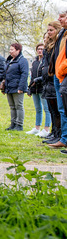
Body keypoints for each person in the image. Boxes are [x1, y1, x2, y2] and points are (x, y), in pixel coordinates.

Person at [41, 21, 62, 145]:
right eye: (48, 30)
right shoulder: (48, 45)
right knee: (52, 110)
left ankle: (58, 134)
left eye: (51, 30)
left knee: (57, 110)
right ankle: (54, 132)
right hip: (47, 82)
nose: (49, 33)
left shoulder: (57, 45)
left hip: (53, 80)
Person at [49, 9, 67, 150]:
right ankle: (62, 137)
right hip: (58, 73)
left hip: (63, 73)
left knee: (63, 109)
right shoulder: (62, 33)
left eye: (62, 16)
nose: (60, 19)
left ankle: (64, 138)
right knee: (61, 109)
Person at [26, 43, 51, 137]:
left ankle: (46, 129)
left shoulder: (46, 61)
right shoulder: (35, 61)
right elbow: (32, 76)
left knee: (46, 109)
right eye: (38, 49)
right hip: (35, 88)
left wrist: (38, 80)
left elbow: (46, 74)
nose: (40, 50)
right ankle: (37, 128)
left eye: (42, 49)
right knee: (38, 109)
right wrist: (29, 88)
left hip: (43, 87)